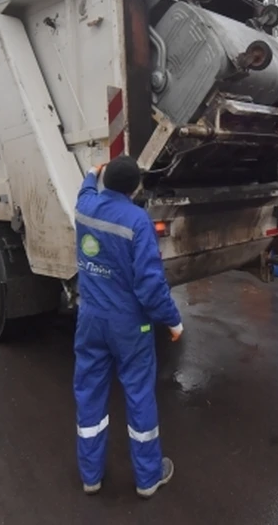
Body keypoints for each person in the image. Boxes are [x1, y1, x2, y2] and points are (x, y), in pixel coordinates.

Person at [72, 155, 183, 498]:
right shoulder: (137, 221)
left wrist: (92, 171)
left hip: (90, 319)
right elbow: (150, 286)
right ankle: (148, 478)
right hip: (130, 326)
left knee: (89, 393)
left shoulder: (84, 208)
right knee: (138, 394)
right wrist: (173, 320)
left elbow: (84, 190)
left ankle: (91, 476)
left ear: (105, 181)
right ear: (136, 187)